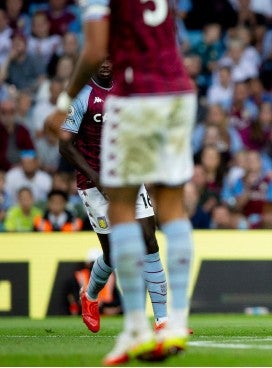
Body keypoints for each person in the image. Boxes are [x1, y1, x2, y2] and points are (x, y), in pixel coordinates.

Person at [46, 1, 197, 364]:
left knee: (140, 228)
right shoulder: (90, 98)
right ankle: (170, 320)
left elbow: (96, 46)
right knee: (169, 211)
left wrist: (61, 98)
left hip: (137, 96)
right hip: (176, 91)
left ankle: (145, 325)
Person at [59, 60, 169, 335]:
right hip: (93, 182)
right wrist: (96, 178)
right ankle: (90, 295)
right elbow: (65, 145)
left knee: (148, 238)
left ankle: (163, 321)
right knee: (114, 253)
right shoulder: (82, 96)